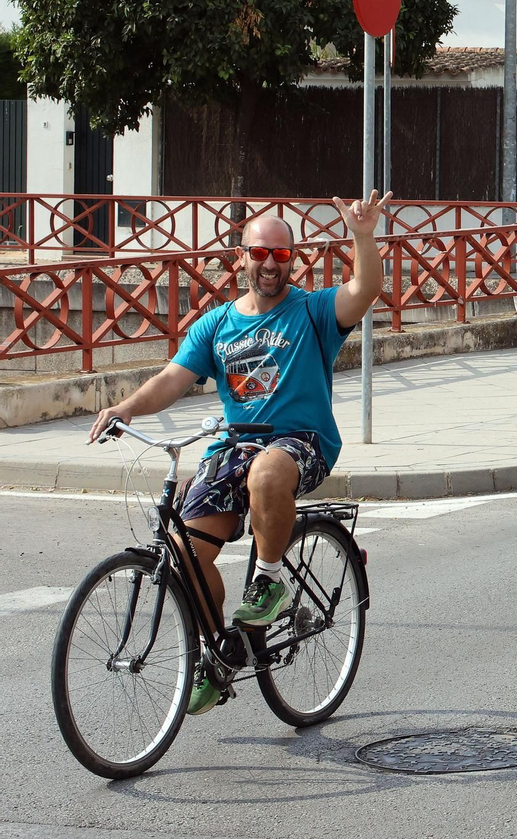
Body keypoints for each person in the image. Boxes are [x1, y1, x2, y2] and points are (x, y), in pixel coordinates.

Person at [86, 191, 392, 715]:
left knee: (268, 472)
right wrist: (127, 408)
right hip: (236, 447)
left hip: (302, 442)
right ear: (241, 257)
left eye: (279, 254)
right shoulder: (217, 324)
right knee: (182, 549)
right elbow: (171, 379)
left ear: (290, 260)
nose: (269, 263)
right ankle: (223, 656)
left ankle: (268, 581)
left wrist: (363, 236)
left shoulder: (312, 312)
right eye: (259, 253)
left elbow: (364, 290)